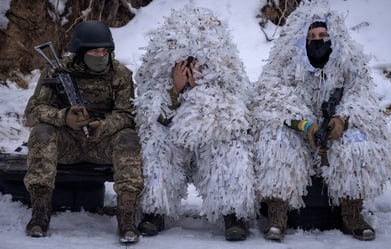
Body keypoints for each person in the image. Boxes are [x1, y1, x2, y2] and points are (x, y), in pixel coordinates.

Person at [251, 1, 391, 242]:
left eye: (323, 35)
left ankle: (352, 213)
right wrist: (304, 125)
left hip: (334, 135)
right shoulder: (284, 65)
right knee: (274, 141)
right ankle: (277, 214)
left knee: (358, 143)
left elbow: (362, 98)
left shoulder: (348, 66)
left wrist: (341, 121)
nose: (317, 40)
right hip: (299, 134)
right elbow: (271, 99)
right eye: (312, 36)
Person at [133, 6, 256, 241]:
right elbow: (148, 114)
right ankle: (155, 210)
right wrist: (175, 91)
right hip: (172, 140)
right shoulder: (158, 76)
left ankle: (233, 214)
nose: (191, 66)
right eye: (184, 61)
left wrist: (202, 93)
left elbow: (238, 114)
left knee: (230, 145)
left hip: (210, 142)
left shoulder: (228, 75)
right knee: (157, 143)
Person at [23, 20, 143, 243]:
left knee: (128, 138)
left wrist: (103, 126)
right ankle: (40, 213)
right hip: (67, 143)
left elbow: (127, 115)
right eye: (95, 51)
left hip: (102, 143)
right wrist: (64, 117)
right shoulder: (58, 71)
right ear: (80, 51)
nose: (101, 55)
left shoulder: (120, 74)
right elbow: (31, 112)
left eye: (105, 50)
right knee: (41, 133)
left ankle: (126, 217)